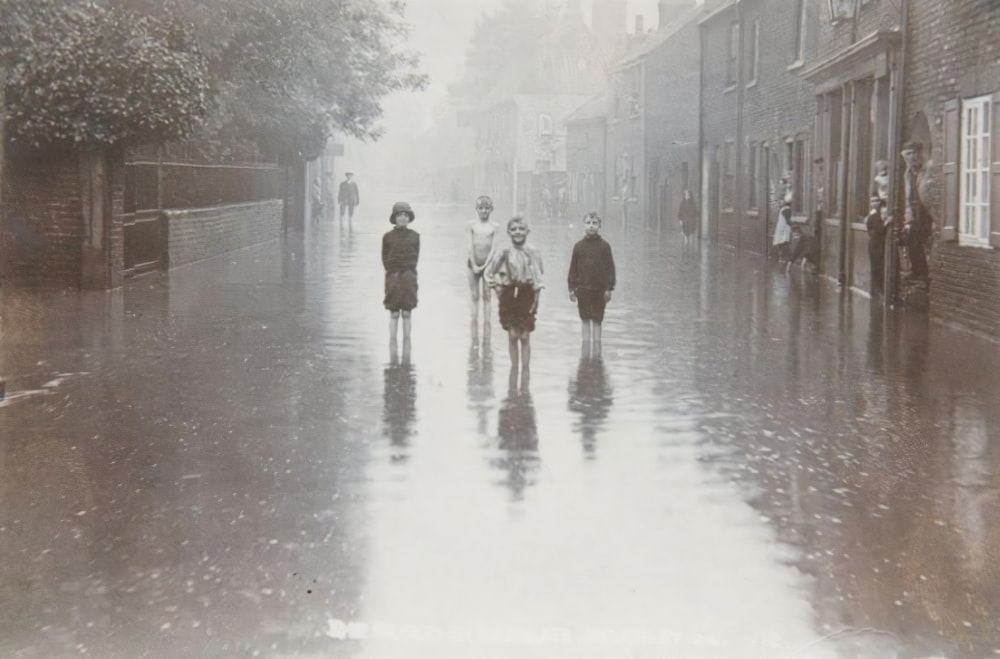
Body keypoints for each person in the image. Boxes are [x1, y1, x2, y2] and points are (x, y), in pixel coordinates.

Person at [490, 216, 544, 384]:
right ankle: (514, 371)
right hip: (509, 293)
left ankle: (525, 373)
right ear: (508, 232)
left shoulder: (533, 251)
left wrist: (537, 295)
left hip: (527, 293)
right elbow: (491, 272)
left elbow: (539, 273)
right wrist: (498, 287)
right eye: (514, 229)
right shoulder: (505, 252)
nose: (517, 232)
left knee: (525, 335)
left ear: (527, 231)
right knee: (513, 334)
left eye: (521, 229)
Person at [567, 211, 616, 353]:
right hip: (583, 290)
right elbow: (573, 269)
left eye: (594, 223)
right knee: (585, 319)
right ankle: (585, 351)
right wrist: (571, 288)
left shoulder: (604, 247)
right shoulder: (578, 247)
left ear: (599, 225)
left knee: (597, 320)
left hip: (599, 291)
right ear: (583, 225)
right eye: (588, 223)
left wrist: (609, 288)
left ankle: (596, 354)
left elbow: (610, 269)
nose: (591, 226)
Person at [382, 201, 419, 355]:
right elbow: (384, 257)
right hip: (393, 276)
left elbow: (416, 256)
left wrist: (407, 271)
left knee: (407, 312)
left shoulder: (415, 236)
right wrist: (393, 272)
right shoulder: (387, 237)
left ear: (409, 218)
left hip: (409, 276)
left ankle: (407, 344)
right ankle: (392, 345)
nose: (402, 218)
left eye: (405, 215)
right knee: (394, 312)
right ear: (394, 218)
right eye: (399, 215)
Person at [467, 195, 499, 341]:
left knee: (487, 296)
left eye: (487, 208)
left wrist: (486, 266)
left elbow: (494, 248)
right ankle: (473, 329)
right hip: (472, 264)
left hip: (489, 266)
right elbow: (469, 246)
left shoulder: (494, 227)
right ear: (476, 209)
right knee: (474, 296)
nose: (484, 211)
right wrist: (474, 264)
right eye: (481, 208)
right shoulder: (471, 226)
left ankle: (487, 330)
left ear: (491, 209)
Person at [901, 141, 933, 282]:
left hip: (928, 211)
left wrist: (935, 217)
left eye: (914, 153)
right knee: (912, 238)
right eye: (908, 154)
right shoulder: (907, 173)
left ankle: (928, 276)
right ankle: (919, 273)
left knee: (928, 241)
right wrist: (908, 220)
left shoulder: (929, 168)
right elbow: (909, 198)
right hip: (916, 212)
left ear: (920, 154)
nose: (912, 157)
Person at [865, 194, 889, 296]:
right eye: (873, 201)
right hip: (875, 246)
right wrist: (887, 222)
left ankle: (876, 291)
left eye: (877, 201)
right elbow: (880, 230)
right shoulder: (873, 216)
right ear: (870, 203)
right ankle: (877, 291)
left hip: (876, 245)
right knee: (877, 268)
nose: (875, 203)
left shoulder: (876, 215)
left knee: (877, 268)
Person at [773, 188, 793, 266]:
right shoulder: (785, 210)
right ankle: (783, 259)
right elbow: (789, 221)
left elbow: (787, 221)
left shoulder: (784, 209)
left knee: (782, 244)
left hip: (783, 230)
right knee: (783, 244)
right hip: (784, 230)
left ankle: (783, 259)